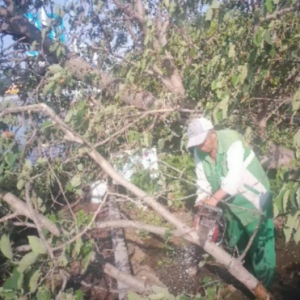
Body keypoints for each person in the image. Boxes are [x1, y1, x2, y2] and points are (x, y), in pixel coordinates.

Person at [186, 117, 275, 289]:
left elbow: (233, 180)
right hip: (228, 201)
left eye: (202, 141)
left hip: (253, 198)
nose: (200, 146)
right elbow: (202, 181)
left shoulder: (232, 141)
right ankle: (245, 278)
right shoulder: (199, 152)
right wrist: (201, 201)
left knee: (260, 246)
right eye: (196, 143)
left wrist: (212, 200)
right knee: (236, 240)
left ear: (212, 133)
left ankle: (265, 288)